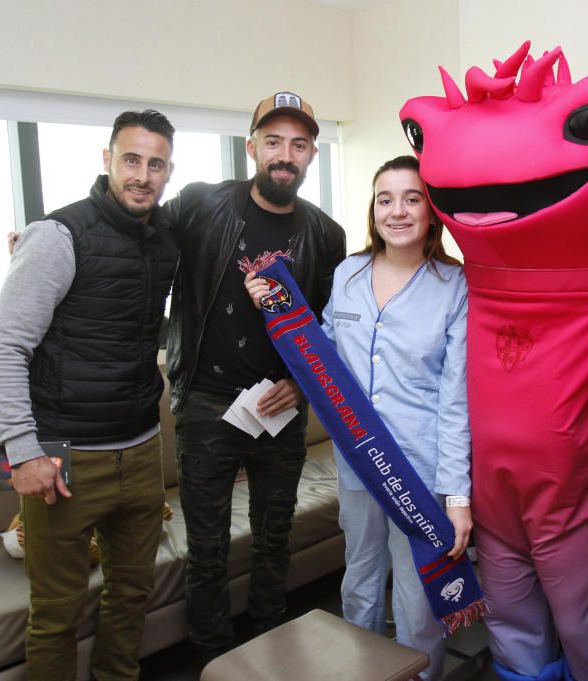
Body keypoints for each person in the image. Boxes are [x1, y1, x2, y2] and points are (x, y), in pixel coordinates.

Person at [249, 154, 470, 679]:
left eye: (412, 198)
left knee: (418, 600)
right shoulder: (347, 274)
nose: (397, 211)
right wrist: (274, 307)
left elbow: (456, 399)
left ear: (432, 211)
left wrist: (458, 496)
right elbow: (322, 354)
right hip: (356, 461)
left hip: (418, 471)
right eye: (385, 199)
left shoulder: (454, 286)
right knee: (360, 579)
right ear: (372, 209)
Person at [0, 109, 179, 681]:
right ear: (107, 160)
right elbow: (3, 348)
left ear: (169, 172)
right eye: (131, 159)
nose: (142, 174)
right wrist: (20, 451)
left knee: (132, 594)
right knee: (55, 615)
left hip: (141, 450)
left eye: (156, 164)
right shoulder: (56, 235)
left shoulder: (165, 238)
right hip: (60, 454)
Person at [164, 90, 346, 662]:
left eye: (298, 144)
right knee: (208, 548)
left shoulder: (326, 236)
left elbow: (328, 329)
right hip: (207, 403)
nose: (284, 154)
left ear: (312, 155)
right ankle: (213, 658)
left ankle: (273, 646)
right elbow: (131, 234)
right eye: (273, 142)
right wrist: (47, 237)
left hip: (281, 406)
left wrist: (305, 383)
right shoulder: (200, 206)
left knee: (274, 538)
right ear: (252, 148)